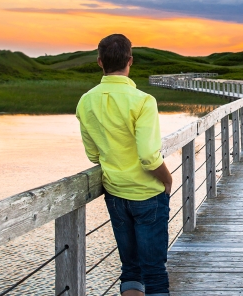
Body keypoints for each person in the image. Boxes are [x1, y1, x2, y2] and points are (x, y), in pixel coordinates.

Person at [76, 34, 173, 296]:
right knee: (153, 270)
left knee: (131, 269)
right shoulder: (143, 101)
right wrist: (168, 179)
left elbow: (93, 156)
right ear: (130, 61)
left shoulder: (86, 101)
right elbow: (149, 157)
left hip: (116, 194)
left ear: (99, 62)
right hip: (148, 194)